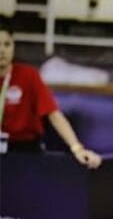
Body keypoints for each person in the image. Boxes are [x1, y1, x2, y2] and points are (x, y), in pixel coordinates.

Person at [0, 19, 101, 167]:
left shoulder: (29, 76)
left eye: (7, 44)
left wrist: (77, 148)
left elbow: (53, 114)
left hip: (25, 150)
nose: (2, 50)